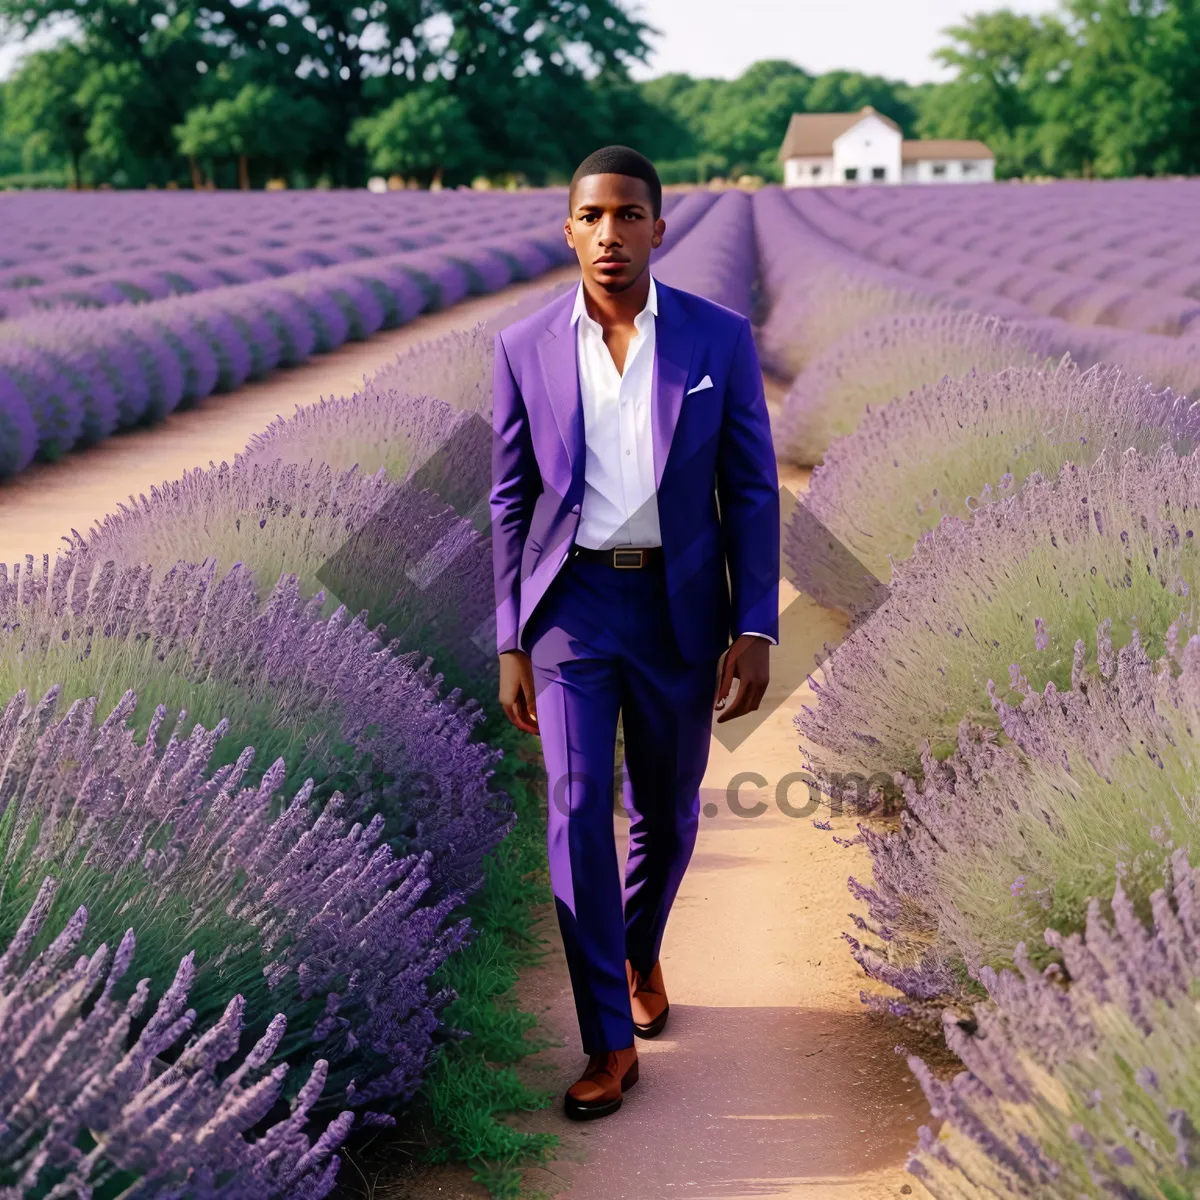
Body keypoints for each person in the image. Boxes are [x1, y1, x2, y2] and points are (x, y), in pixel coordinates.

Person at [489, 146, 780, 1120]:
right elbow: (508, 501)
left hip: (680, 610)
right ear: (568, 229)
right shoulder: (522, 346)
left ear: (660, 228)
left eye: (628, 215)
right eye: (592, 216)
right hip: (573, 612)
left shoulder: (718, 339)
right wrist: (512, 639)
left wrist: (755, 624)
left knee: (669, 812)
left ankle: (641, 944)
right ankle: (608, 1041)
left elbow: (748, 489)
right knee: (574, 813)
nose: (610, 233)